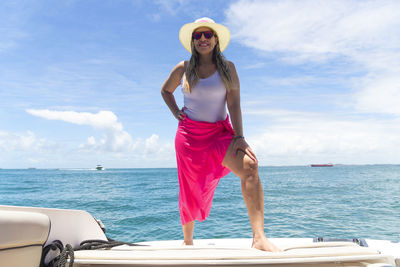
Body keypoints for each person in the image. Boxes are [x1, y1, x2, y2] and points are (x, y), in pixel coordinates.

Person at [161, 17, 281, 252]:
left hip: (218, 134)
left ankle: (259, 238)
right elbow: (166, 90)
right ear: (193, 41)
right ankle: (188, 243)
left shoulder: (228, 68)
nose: (203, 39)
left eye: (207, 35)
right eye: (197, 35)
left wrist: (240, 136)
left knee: (250, 165)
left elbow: (234, 104)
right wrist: (176, 111)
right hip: (189, 137)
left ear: (216, 40)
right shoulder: (183, 68)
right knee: (189, 187)